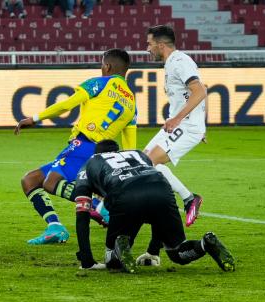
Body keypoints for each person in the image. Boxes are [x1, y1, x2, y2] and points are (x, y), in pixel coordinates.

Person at [14, 48, 137, 245]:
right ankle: (55, 228)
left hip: (84, 145)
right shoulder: (132, 101)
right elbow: (131, 145)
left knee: (51, 183)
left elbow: (67, 105)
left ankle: (99, 207)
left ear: (107, 66)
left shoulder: (100, 83)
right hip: (101, 154)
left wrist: (35, 118)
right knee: (31, 180)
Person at [74, 140, 235, 273]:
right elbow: (156, 179)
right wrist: (153, 250)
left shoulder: (88, 165)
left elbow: (82, 215)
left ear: (95, 154)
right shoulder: (138, 154)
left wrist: (86, 260)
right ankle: (205, 243)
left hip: (125, 196)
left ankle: (120, 246)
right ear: (119, 150)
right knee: (178, 253)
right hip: (161, 191)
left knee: (112, 262)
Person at [136, 25, 208, 266]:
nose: (147, 49)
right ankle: (154, 248)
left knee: (149, 164)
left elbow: (200, 91)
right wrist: (197, 124)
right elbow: (191, 96)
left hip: (182, 125)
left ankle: (190, 198)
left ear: (161, 44)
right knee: (144, 165)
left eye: (149, 44)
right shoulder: (172, 63)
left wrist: (185, 122)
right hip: (181, 125)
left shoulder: (179, 61)